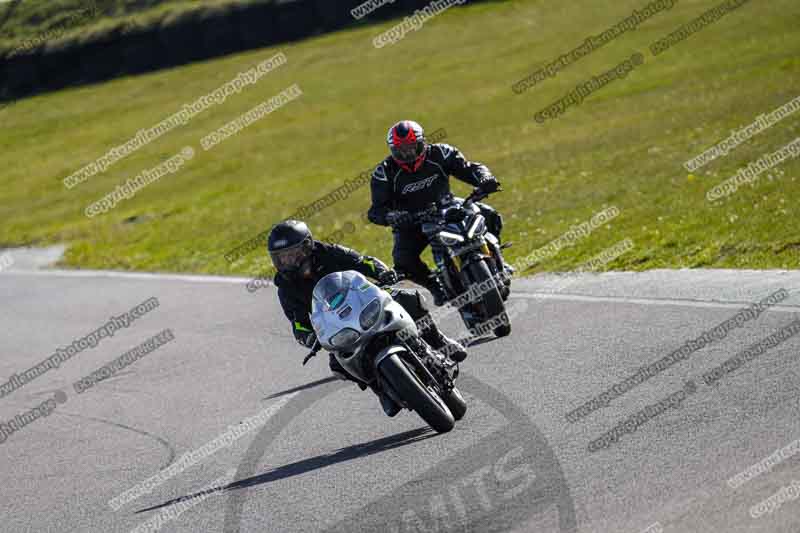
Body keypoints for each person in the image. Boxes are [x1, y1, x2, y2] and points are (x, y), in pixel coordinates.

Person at [267, 220, 467, 416]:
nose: (287, 261)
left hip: (364, 302)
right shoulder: (285, 288)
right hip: (340, 326)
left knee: (410, 299)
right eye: (281, 258)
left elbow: (363, 261)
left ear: (307, 246)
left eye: (292, 254)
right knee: (338, 365)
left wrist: (384, 272)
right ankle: (379, 388)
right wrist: (309, 337)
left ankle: (439, 340)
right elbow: (298, 322)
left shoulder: (329, 252)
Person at [367, 120, 509, 305]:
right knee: (403, 259)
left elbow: (469, 168)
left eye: (412, 148)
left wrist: (485, 179)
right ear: (392, 150)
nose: (407, 154)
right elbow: (375, 210)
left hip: (448, 207)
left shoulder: (441, 153)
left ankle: (499, 261)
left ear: (422, 143)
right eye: (400, 150)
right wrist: (391, 216)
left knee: (490, 215)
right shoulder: (384, 172)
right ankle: (435, 286)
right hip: (412, 221)